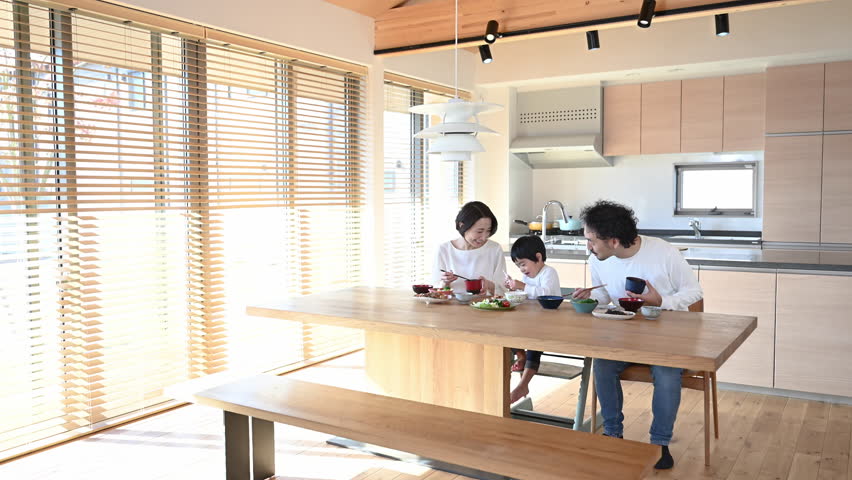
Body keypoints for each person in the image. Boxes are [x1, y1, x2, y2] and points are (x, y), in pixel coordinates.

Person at [572, 200, 702, 470]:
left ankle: (659, 444)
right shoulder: (598, 259)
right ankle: (613, 434)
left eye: (591, 241)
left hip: (668, 337)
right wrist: (590, 297)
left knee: (666, 374)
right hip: (624, 337)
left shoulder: (663, 252)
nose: (588, 247)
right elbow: (604, 297)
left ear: (614, 241)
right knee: (602, 365)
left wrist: (661, 301)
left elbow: (694, 292)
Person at [504, 235, 561, 403]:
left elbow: (545, 293)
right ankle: (521, 355)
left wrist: (522, 286)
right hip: (529, 322)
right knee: (507, 332)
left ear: (538, 257)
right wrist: (514, 290)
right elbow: (526, 295)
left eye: (523, 264)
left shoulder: (549, 272)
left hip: (548, 324)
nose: (521, 269)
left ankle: (524, 384)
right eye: (518, 266)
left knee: (535, 345)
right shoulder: (528, 277)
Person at [433, 201, 507, 297]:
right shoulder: (444, 250)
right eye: (479, 231)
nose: (484, 237)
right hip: (452, 305)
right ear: (462, 225)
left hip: (485, 304)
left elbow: (503, 291)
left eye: (488, 231)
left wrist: (489, 285)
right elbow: (435, 291)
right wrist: (445, 283)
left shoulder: (494, 249)